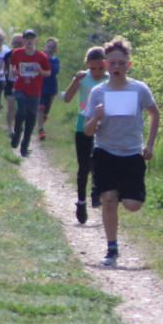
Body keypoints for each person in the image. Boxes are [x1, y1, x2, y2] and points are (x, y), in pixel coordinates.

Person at [84, 36, 160, 266]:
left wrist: (149, 144)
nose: (117, 67)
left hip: (131, 153)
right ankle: (112, 248)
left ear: (129, 64)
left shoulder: (139, 89)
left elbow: (154, 114)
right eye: (112, 63)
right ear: (106, 64)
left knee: (132, 205)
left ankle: (117, 196)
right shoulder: (98, 92)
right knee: (108, 199)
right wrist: (96, 117)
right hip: (105, 151)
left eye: (121, 63)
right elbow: (88, 131)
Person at [62, 45, 108, 224]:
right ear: (87, 65)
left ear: (105, 65)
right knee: (84, 165)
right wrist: (75, 81)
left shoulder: (109, 80)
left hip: (104, 125)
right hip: (83, 125)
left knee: (99, 160)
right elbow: (67, 99)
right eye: (93, 68)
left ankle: (96, 193)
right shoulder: (83, 79)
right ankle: (81, 202)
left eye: (100, 68)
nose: (96, 72)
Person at [9, 30, 52, 157]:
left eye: (31, 38)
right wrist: (14, 71)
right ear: (23, 41)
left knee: (31, 117)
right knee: (22, 112)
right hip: (20, 87)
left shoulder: (41, 56)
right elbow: (12, 66)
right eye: (27, 38)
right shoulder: (17, 53)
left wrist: (40, 70)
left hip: (35, 89)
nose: (29, 41)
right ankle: (17, 134)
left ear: (35, 40)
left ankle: (24, 147)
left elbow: (48, 72)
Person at [37, 37, 61, 141]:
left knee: (47, 108)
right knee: (40, 108)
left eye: (53, 47)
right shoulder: (38, 57)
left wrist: (42, 69)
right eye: (49, 46)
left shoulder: (55, 60)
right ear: (44, 47)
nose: (50, 49)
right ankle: (41, 130)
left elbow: (54, 71)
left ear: (55, 50)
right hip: (39, 86)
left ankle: (44, 116)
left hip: (51, 86)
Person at [4, 33, 23, 138]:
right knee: (11, 105)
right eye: (15, 42)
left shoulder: (26, 55)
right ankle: (10, 127)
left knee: (20, 106)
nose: (17, 45)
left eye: (19, 43)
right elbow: (4, 69)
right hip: (10, 83)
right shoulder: (7, 55)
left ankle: (19, 124)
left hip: (22, 83)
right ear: (11, 43)